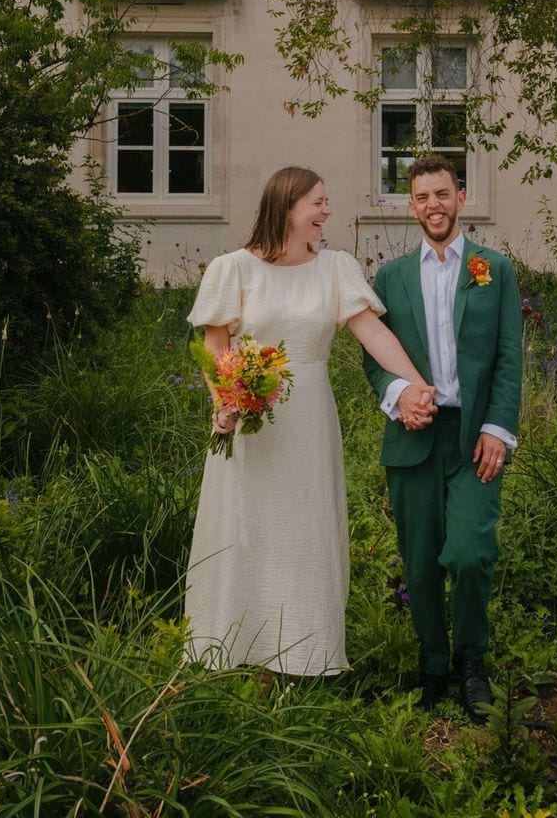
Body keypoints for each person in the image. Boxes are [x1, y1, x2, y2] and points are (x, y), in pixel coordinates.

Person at [184, 166, 434, 675]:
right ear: (287, 206)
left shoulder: (335, 268)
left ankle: (303, 653)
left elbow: (374, 335)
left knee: (305, 531)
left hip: (310, 422)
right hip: (253, 422)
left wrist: (415, 384)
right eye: (318, 203)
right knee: (245, 527)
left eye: (325, 203)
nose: (327, 212)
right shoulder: (232, 269)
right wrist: (226, 402)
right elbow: (215, 346)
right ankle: (228, 648)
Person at [364, 154, 522, 722]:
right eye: (422, 196)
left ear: (460, 197)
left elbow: (508, 356)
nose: (434, 204)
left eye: (443, 193)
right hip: (413, 436)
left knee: (470, 553)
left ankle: (472, 661)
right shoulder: (389, 277)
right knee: (421, 562)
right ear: (412, 205)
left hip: (473, 437)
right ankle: (434, 664)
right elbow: (373, 359)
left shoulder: (493, 269)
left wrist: (498, 429)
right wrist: (397, 397)